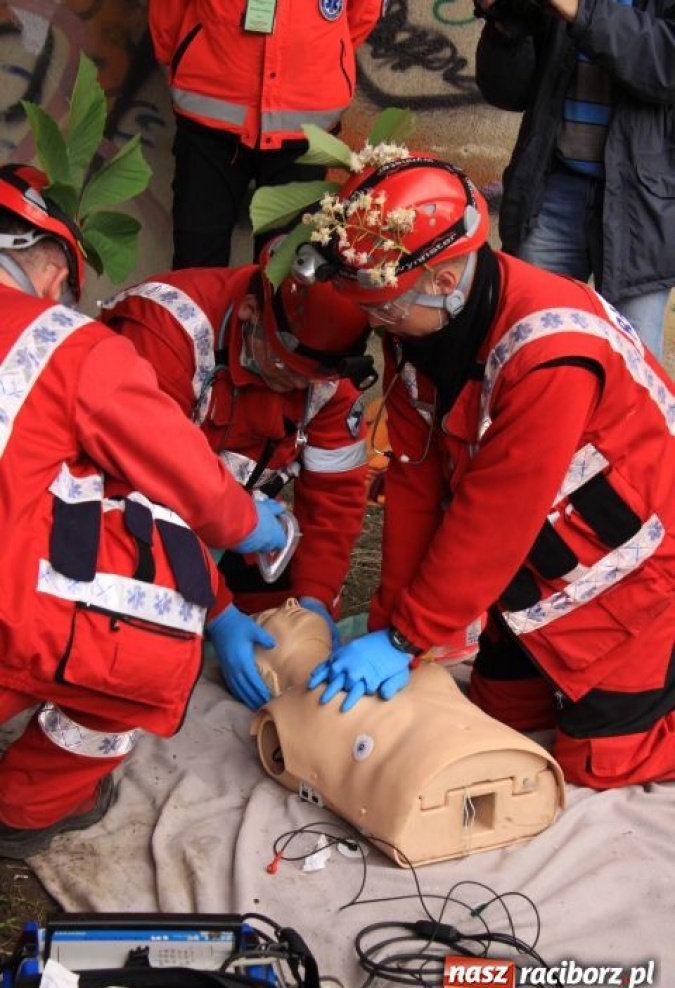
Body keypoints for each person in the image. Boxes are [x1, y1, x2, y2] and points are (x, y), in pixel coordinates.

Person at [292, 150, 675, 790]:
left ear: (443, 280)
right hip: (545, 563)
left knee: (599, 765)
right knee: (501, 717)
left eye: (383, 305)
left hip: (642, 570)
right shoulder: (418, 331)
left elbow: (493, 516)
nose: (373, 320)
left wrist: (410, 640)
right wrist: (393, 627)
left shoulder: (551, 354)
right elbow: (414, 482)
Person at [0, 163, 288, 857]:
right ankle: (27, 805)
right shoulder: (66, 342)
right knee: (145, 651)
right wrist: (249, 523)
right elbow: (183, 474)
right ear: (48, 273)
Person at [99, 243, 374, 712]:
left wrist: (314, 597)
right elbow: (132, 492)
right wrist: (217, 610)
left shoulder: (327, 374)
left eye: (315, 378)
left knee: (282, 630)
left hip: (239, 525)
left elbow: (336, 501)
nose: (301, 386)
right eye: (289, 370)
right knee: (132, 641)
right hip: (131, 519)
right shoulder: (165, 332)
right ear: (250, 311)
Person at [472, 0, 675, 361]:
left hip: (642, 208)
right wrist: (504, 25)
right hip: (550, 194)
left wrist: (581, 11)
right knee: (525, 351)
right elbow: (509, 92)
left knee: (633, 372)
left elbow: (666, 66)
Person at [147, 0, 385, 268]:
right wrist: (178, 58)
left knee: (282, 272)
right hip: (210, 121)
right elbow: (167, 8)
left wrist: (323, 54)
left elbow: (364, 11)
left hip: (304, 131)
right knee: (196, 262)